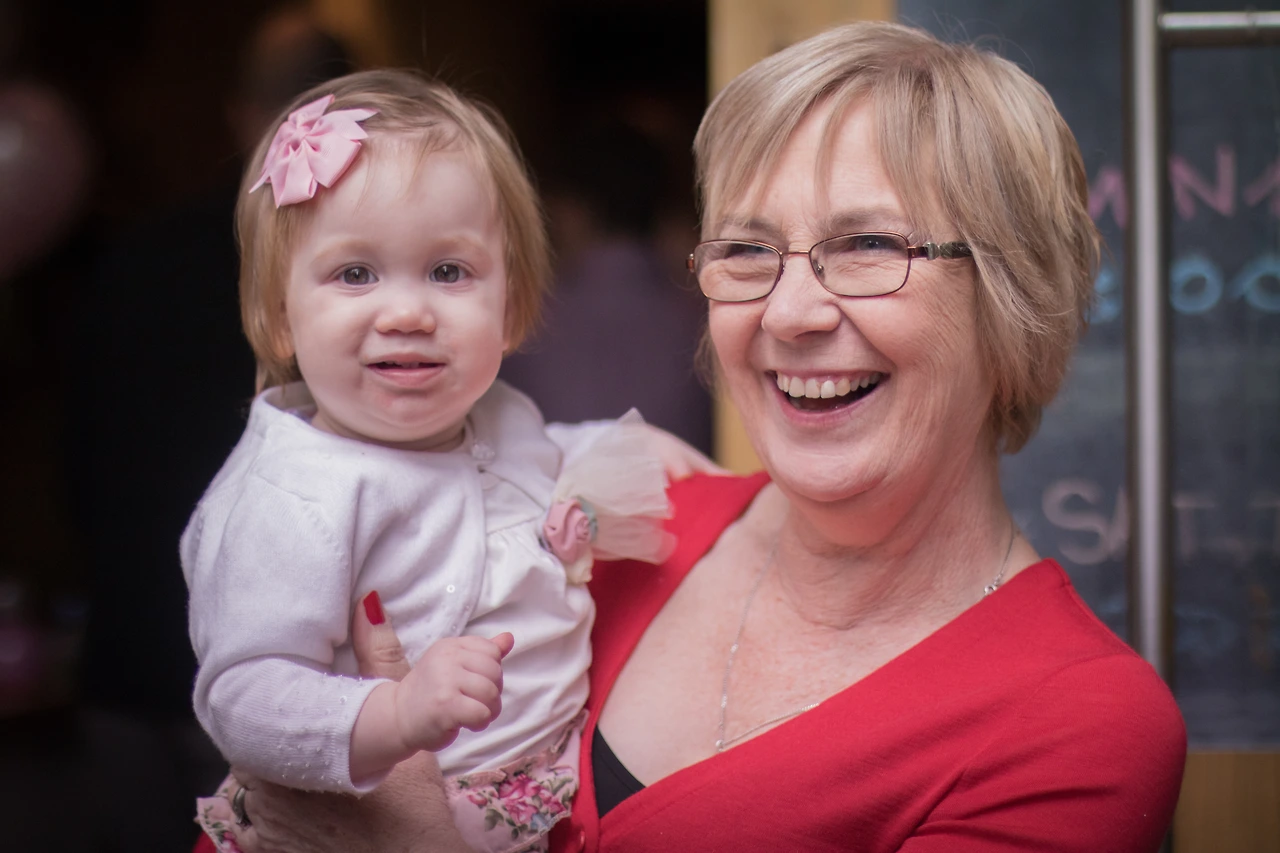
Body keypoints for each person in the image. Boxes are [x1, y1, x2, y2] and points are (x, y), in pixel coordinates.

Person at [210, 21, 1187, 853]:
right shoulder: (611, 524)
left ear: (1013, 296)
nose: (788, 311)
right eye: (748, 250)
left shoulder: (1078, 722)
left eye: (867, 246)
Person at [184, 69, 687, 853]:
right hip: (360, 828)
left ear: (510, 306)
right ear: (280, 315)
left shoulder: (497, 415)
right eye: (355, 273)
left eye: (449, 271)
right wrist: (393, 712)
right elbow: (243, 697)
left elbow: (543, 451)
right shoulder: (293, 496)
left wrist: (645, 451)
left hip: (536, 800)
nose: (408, 311)